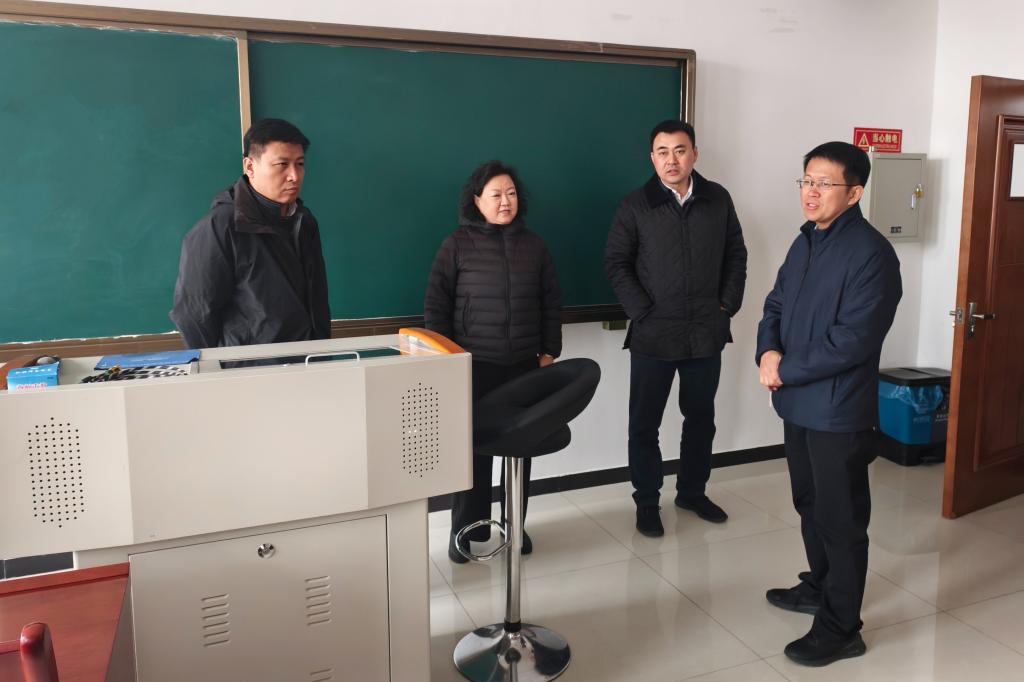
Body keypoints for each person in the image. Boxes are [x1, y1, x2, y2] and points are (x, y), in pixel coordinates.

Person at [756, 141, 902, 667]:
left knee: (841, 520)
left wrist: (783, 369)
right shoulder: (806, 241)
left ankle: (842, 628)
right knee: (809, 504)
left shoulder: (872, 255)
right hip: (797, 404)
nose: (810, 192)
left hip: (838, 412)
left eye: (824, 183)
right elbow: (775, 304)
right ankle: (820, 586)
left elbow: (852, 340)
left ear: (854, 193)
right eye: (806, 181)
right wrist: (768, 350)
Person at [604, 119, 747, 537]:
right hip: (654, 334)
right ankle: (647, 501)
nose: (672, 160)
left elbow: (736, 254)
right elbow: (616, 262)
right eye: (663, 152)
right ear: (652, 158)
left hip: (705, 331)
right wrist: (642, 311)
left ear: (694, 154)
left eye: (680, 150)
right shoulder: (636, 205)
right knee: (644, 424)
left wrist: (726, 306)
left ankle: (692, 492)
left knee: (701, 419)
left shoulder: (717, 199)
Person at [424, 160, 562, 563]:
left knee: (521, 450)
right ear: (477, 200)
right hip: (474, 365)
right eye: (496, 194)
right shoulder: (456, 245)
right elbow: (436, 305)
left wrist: (549, 352)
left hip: (523, 365)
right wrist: (448, 361)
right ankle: (466, 532)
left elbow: (551, 302)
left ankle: (515, 526)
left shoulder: (534, 246)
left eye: (512, 193)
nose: (506, 202)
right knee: (474, 452)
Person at [170, 118, 330, 348]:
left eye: (300, 164)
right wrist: (222, 366)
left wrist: (322, 354)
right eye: (282, 164)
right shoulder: (220, 227)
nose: (294, 175)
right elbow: (193, 315)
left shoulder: (304, 221)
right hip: (251, 366)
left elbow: (317, 303)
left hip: (310, 359)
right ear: (250, 167)